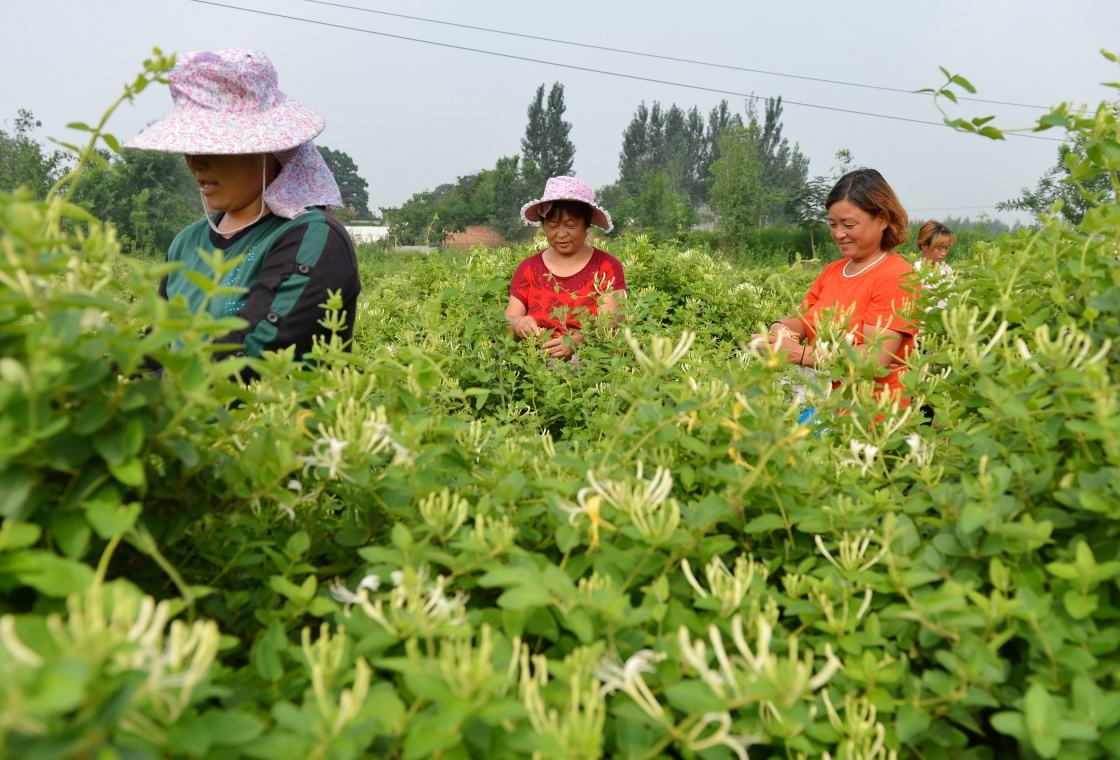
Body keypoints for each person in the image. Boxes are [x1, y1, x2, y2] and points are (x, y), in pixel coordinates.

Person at [125, 49, 360, 363]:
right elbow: (158, 347)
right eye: (191, 146)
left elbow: (251, 353)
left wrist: (143, 392)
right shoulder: (186, 244)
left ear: (270, 150)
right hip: (172, 408)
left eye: (214, 147)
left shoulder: (311, 238)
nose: (196, 162)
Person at [753, 168, 918, 401]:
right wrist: (779, 329)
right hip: (822, 404)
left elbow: (873, 359)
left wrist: (802, 355)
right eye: (833, 224)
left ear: (882, 219)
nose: (839, 234)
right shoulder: (833, 270)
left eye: (849, 225)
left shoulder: (897, 276)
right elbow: (802, 321)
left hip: (869, 415)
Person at [506, 176, 626, 360]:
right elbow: (508, 320)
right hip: (534, 364)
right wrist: (518, 324)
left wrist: (575, 341)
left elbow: (609, 324)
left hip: (589, 363)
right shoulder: (529, 268)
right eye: (553, 226)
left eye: (570, 225)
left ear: (586, 225)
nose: (561, 234)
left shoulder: (607, 266)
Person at [914, 220, 956, 310]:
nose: (944, 253)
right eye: (940, 248)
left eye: (947, 248)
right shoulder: (916, 270)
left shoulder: (946, 269)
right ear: (924, 246)